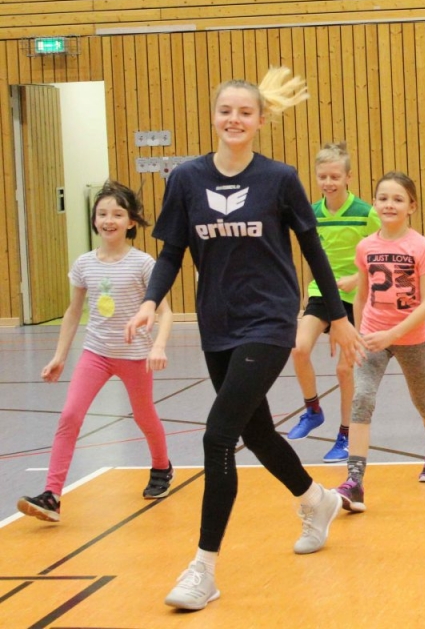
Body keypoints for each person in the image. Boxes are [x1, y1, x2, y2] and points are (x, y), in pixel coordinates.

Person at [127, 69, 363, 612]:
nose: (234, 119)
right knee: (255, 433)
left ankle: (203, 569)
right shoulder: (186, 179)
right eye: (225, 110)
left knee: (217, 436)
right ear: (214, 117)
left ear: (260, 120)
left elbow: (313, 251)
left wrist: (338, 316)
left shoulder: (279, 178)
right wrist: (147, 302)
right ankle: (315, 499)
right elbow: (170, 254)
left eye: (244, 112)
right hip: (217, 323)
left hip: (270, 319)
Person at [17, 182, 173, 523]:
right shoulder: (85, 264)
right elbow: (73, 312)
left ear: (131, 221)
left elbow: (165, 311)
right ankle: (52, 495)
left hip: (135, 355)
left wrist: (158, 345)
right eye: (102, 213)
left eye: (117, 214)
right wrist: (59, 356)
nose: (109, 220)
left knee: (144, 416)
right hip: (96, 353)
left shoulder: (143, 263)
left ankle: (162, 466)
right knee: (70, 416)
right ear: (94, 219)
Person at [335, 171, 425, 514]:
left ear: (411, 206)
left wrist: (393, 334)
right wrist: (355, 333)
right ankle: (354, 482)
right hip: (372, 337)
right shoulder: (366, 246)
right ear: (374, 203)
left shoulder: (421, 247)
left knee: (423, 401)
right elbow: (361, 294)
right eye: (383, 198)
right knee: (362, 399)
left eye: (398, 199)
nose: (389, 204)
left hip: (410, 338)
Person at [284, 141, 380, 463]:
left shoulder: (366, 213)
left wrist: (357, 277)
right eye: (323, 176)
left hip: (355, 298)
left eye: (335, 176)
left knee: (344, 370)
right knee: (298, 348)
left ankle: (345, 435)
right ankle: (312, 409)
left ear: (348, 177)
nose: (328, 182)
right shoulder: (311, 213)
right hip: (322, 292)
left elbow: (380, 252)